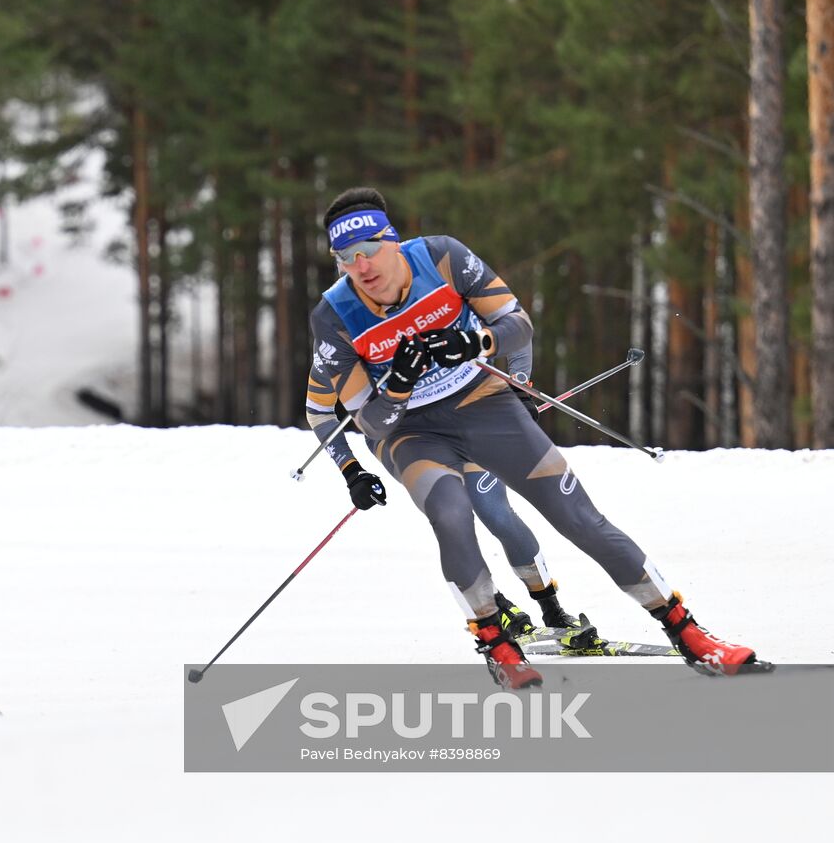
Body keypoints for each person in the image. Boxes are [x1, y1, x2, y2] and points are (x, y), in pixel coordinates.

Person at [304, 187, 768, 688]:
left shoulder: (441, 256)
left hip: (482, 401)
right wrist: (396, 384)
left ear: (392, 241)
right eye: (346, 258)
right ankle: (496, 644)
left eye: (368, 249)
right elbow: (370, 422)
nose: (361, 265)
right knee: (452, 514)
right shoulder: (333, 317)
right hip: (413, 433)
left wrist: (477, 341)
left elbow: (517, 324)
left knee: (578, 517)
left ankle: (689, 634)